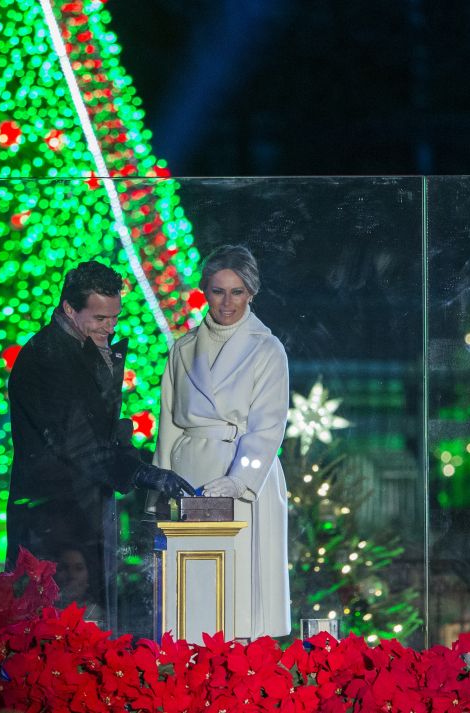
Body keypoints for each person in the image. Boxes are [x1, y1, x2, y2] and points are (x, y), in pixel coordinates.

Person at [6, 260, 194, 628]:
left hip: (79, 507)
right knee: (58, 625)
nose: (109, 327)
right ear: (69, 310)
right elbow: (77, 441)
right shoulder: (48, 357)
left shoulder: (83, 347)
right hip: (55, 516)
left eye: (114, 318)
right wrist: (142, 472)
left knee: (86, 621)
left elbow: (98, 432)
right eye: (99, 318)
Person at [153, 244, 291, 639]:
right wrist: (158, 491)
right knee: (191, 593)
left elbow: (268, 427)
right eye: (217, 290)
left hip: (246, 479)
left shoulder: (268, 350)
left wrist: (240, 480)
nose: (226, 302)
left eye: (237, 292)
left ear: (251, 293)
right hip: (188, 474)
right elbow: (169, 424)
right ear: (204, 291)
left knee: (240, 588)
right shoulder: (182, 348)